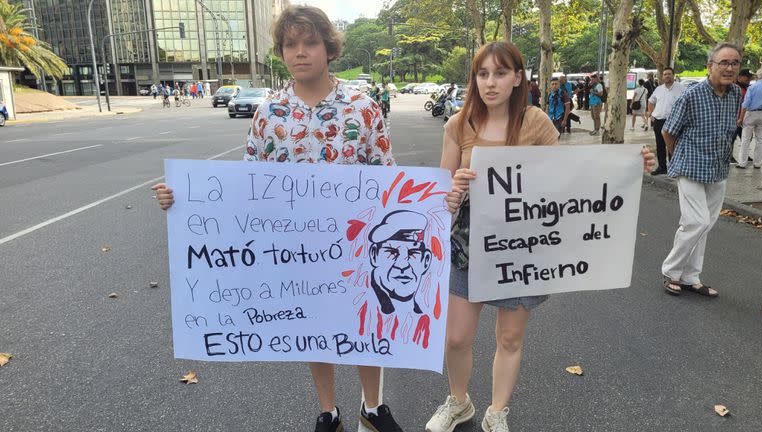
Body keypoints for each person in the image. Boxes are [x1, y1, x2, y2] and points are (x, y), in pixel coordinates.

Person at [152, 6, 402, 432]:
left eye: (309, 43)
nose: (300, 52)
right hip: (297, 248)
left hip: (356, 243)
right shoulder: (270, 113)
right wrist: (183, 200)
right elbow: (246, 186)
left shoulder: (362, 108)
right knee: (312, 322)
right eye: (291, 44)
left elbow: (386, 174)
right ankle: (330, 410)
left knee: (363, 322)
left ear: (328, 47)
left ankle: (372, 407)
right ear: (282, 51)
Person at [425, 40, 654, 432]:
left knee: (510, 338)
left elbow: (570, 179)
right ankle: (459, 402)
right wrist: (455, 190)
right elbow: (438, 198)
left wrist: (631, 163)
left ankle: (497, 411)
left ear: (517, 78)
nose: (490, 83)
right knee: (457, 338)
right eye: (482, 74)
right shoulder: (458, 123)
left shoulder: (535, 122)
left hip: (522, 248)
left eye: (500, 73)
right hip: (466, 246)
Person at [660, 43, 743, 298]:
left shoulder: (736, 93)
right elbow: (668, 131)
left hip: (718, 168)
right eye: (724, 63)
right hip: (691, 168)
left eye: (734, 63)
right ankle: (671, 271)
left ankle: (691, 277)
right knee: (696, 221)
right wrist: (680, 157)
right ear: (710, 67)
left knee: (706, 226)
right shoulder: (691, 95)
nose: (730, 68)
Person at [368, 210, 433, 315]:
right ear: (374, 255)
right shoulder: (359, 305)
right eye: (392, 252)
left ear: (426, 261)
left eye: (412, 253)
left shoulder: (428, 313)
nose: (402, 265)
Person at [647, 67, 685, 175]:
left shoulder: (682, 89)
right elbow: (650, 101)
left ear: (673, 75)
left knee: (672, 146)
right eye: (665, 74)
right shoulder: (658, 89)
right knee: (660, 145)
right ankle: (662, 167)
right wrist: (651, 114)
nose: (667, 76)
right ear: (662, 76)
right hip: (658, 121)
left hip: (673, 122)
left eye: (669, 74)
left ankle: (674, 168)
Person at [736, 68, 762, 169]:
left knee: (745, 139)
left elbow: (745, 104)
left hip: (751, 114)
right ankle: (757, 163)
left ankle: (742, 163)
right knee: (761, 140)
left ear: (757, 76)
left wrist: (740, 118)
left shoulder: (752, 88)